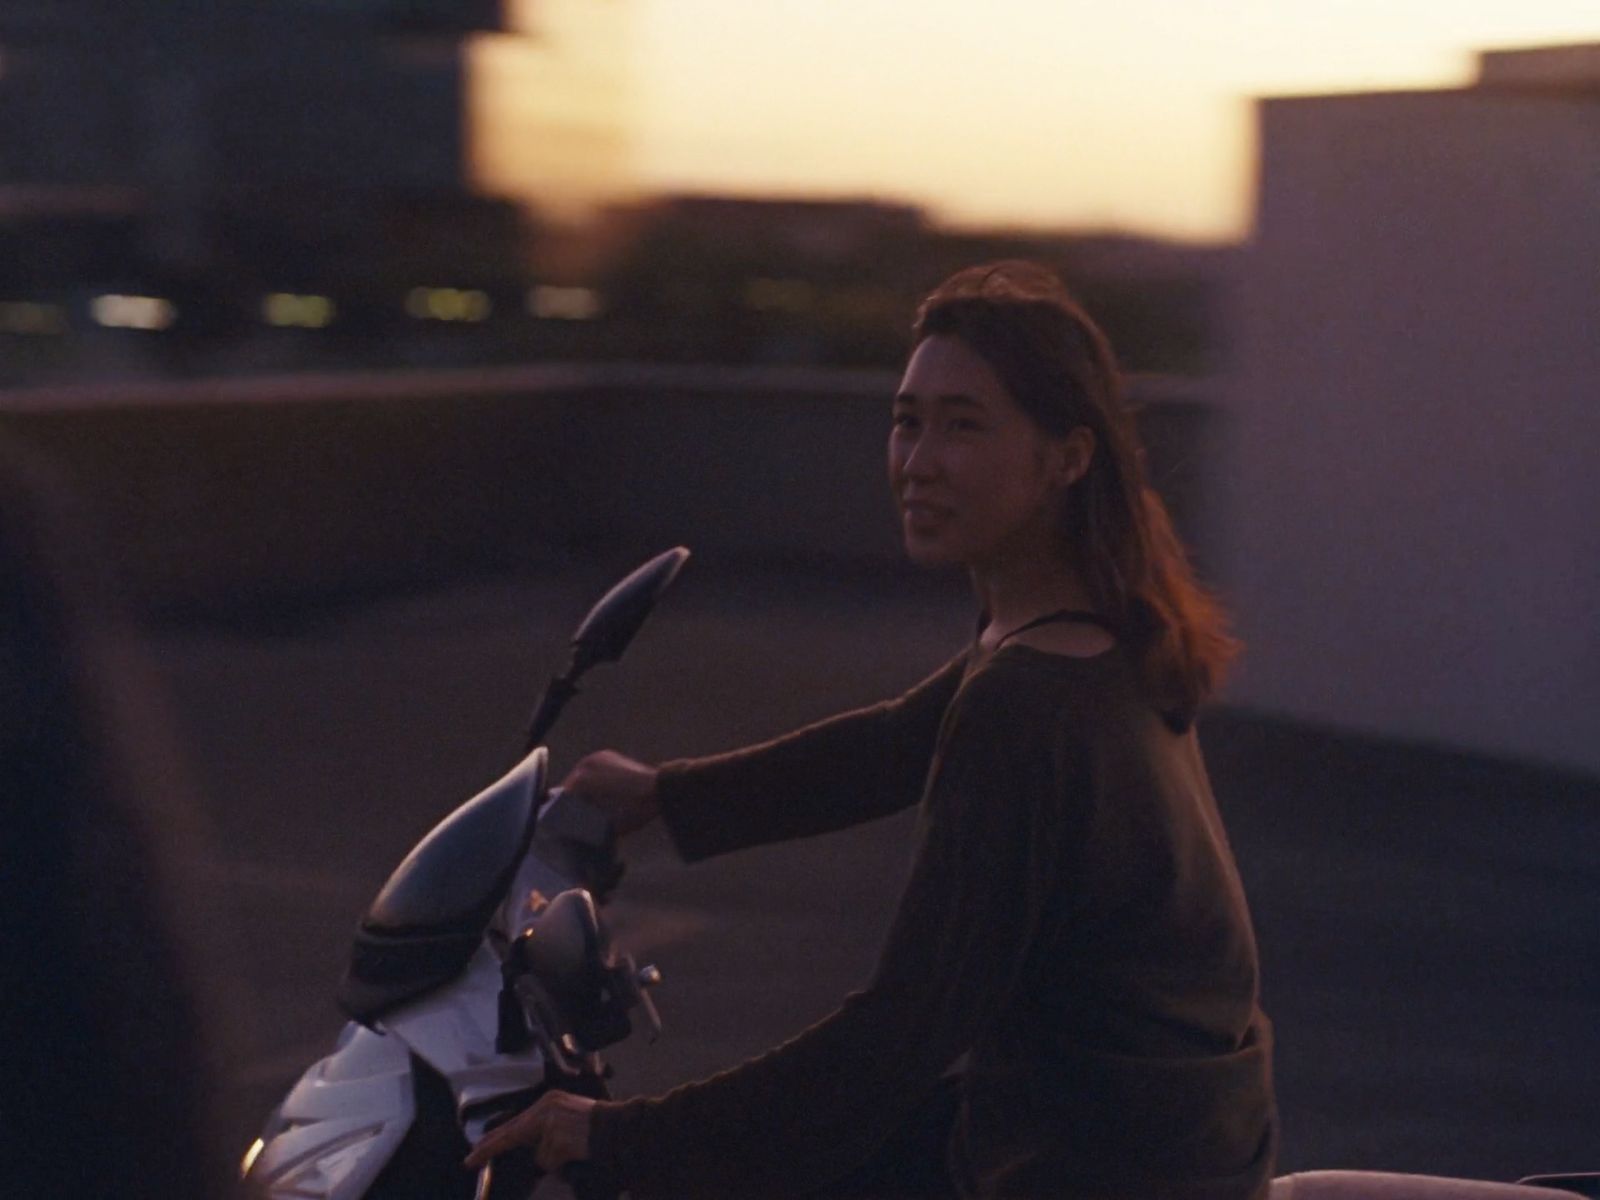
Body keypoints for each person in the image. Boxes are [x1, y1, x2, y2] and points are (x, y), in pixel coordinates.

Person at [465, 261, 1277, 1198]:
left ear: (1068, 457)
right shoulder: (1089, 627)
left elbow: (899, 1034)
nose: (918, 460)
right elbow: (895, 744)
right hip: (1158, 1135)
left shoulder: (1030, 702)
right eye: (907, 419)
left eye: (964, 425)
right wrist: (664, 795)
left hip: (1099, 1163)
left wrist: (619, 1136)